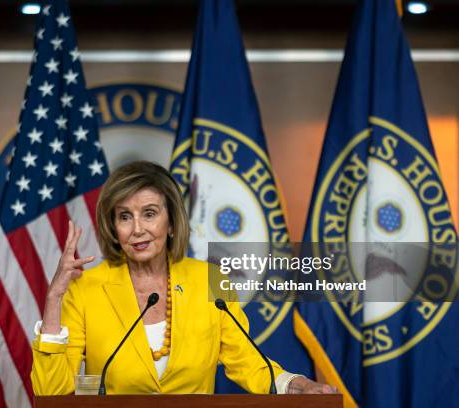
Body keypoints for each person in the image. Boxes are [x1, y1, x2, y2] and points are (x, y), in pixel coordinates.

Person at [31, 160, 337, 395]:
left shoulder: (210, 279)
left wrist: (298, 385)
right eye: (125, 216)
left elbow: (248, 363)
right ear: (113, 227)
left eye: (149, 213)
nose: (137, 228)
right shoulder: (87, 289)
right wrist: (53, 299)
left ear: (172, 222)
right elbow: (51, 392)